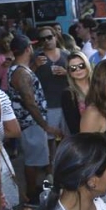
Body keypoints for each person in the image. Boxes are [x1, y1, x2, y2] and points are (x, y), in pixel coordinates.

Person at [8, 35, 60, 202]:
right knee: (33, 161)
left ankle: (34, 190)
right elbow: (29, 102)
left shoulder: (20, 69)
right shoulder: (21, 73)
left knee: (36, 159)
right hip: (31, 123)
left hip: (29, 123)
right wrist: (45, 125)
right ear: (28, 49)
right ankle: (31, 194)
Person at [34, 26, 70, 159]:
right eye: (43, 39)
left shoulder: (66, 55)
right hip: (48, 104)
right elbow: (27, 76)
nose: (47, 41)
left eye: (49, 37)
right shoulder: (36, 56)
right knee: (50, 139)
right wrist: (35, 65)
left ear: (55, 37)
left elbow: (78, 75)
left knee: (68, 136)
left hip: (67, 102)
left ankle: (67, 161)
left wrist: (67, 73)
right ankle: (51, 167)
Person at [61, 51, 92, 135]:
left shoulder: (98, 87)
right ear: (69, 72)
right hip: (85, 138)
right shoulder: (68, 94)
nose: (78, 70)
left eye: (81, 66)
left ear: (87, 66)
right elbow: (73, 126)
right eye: (73, 68)